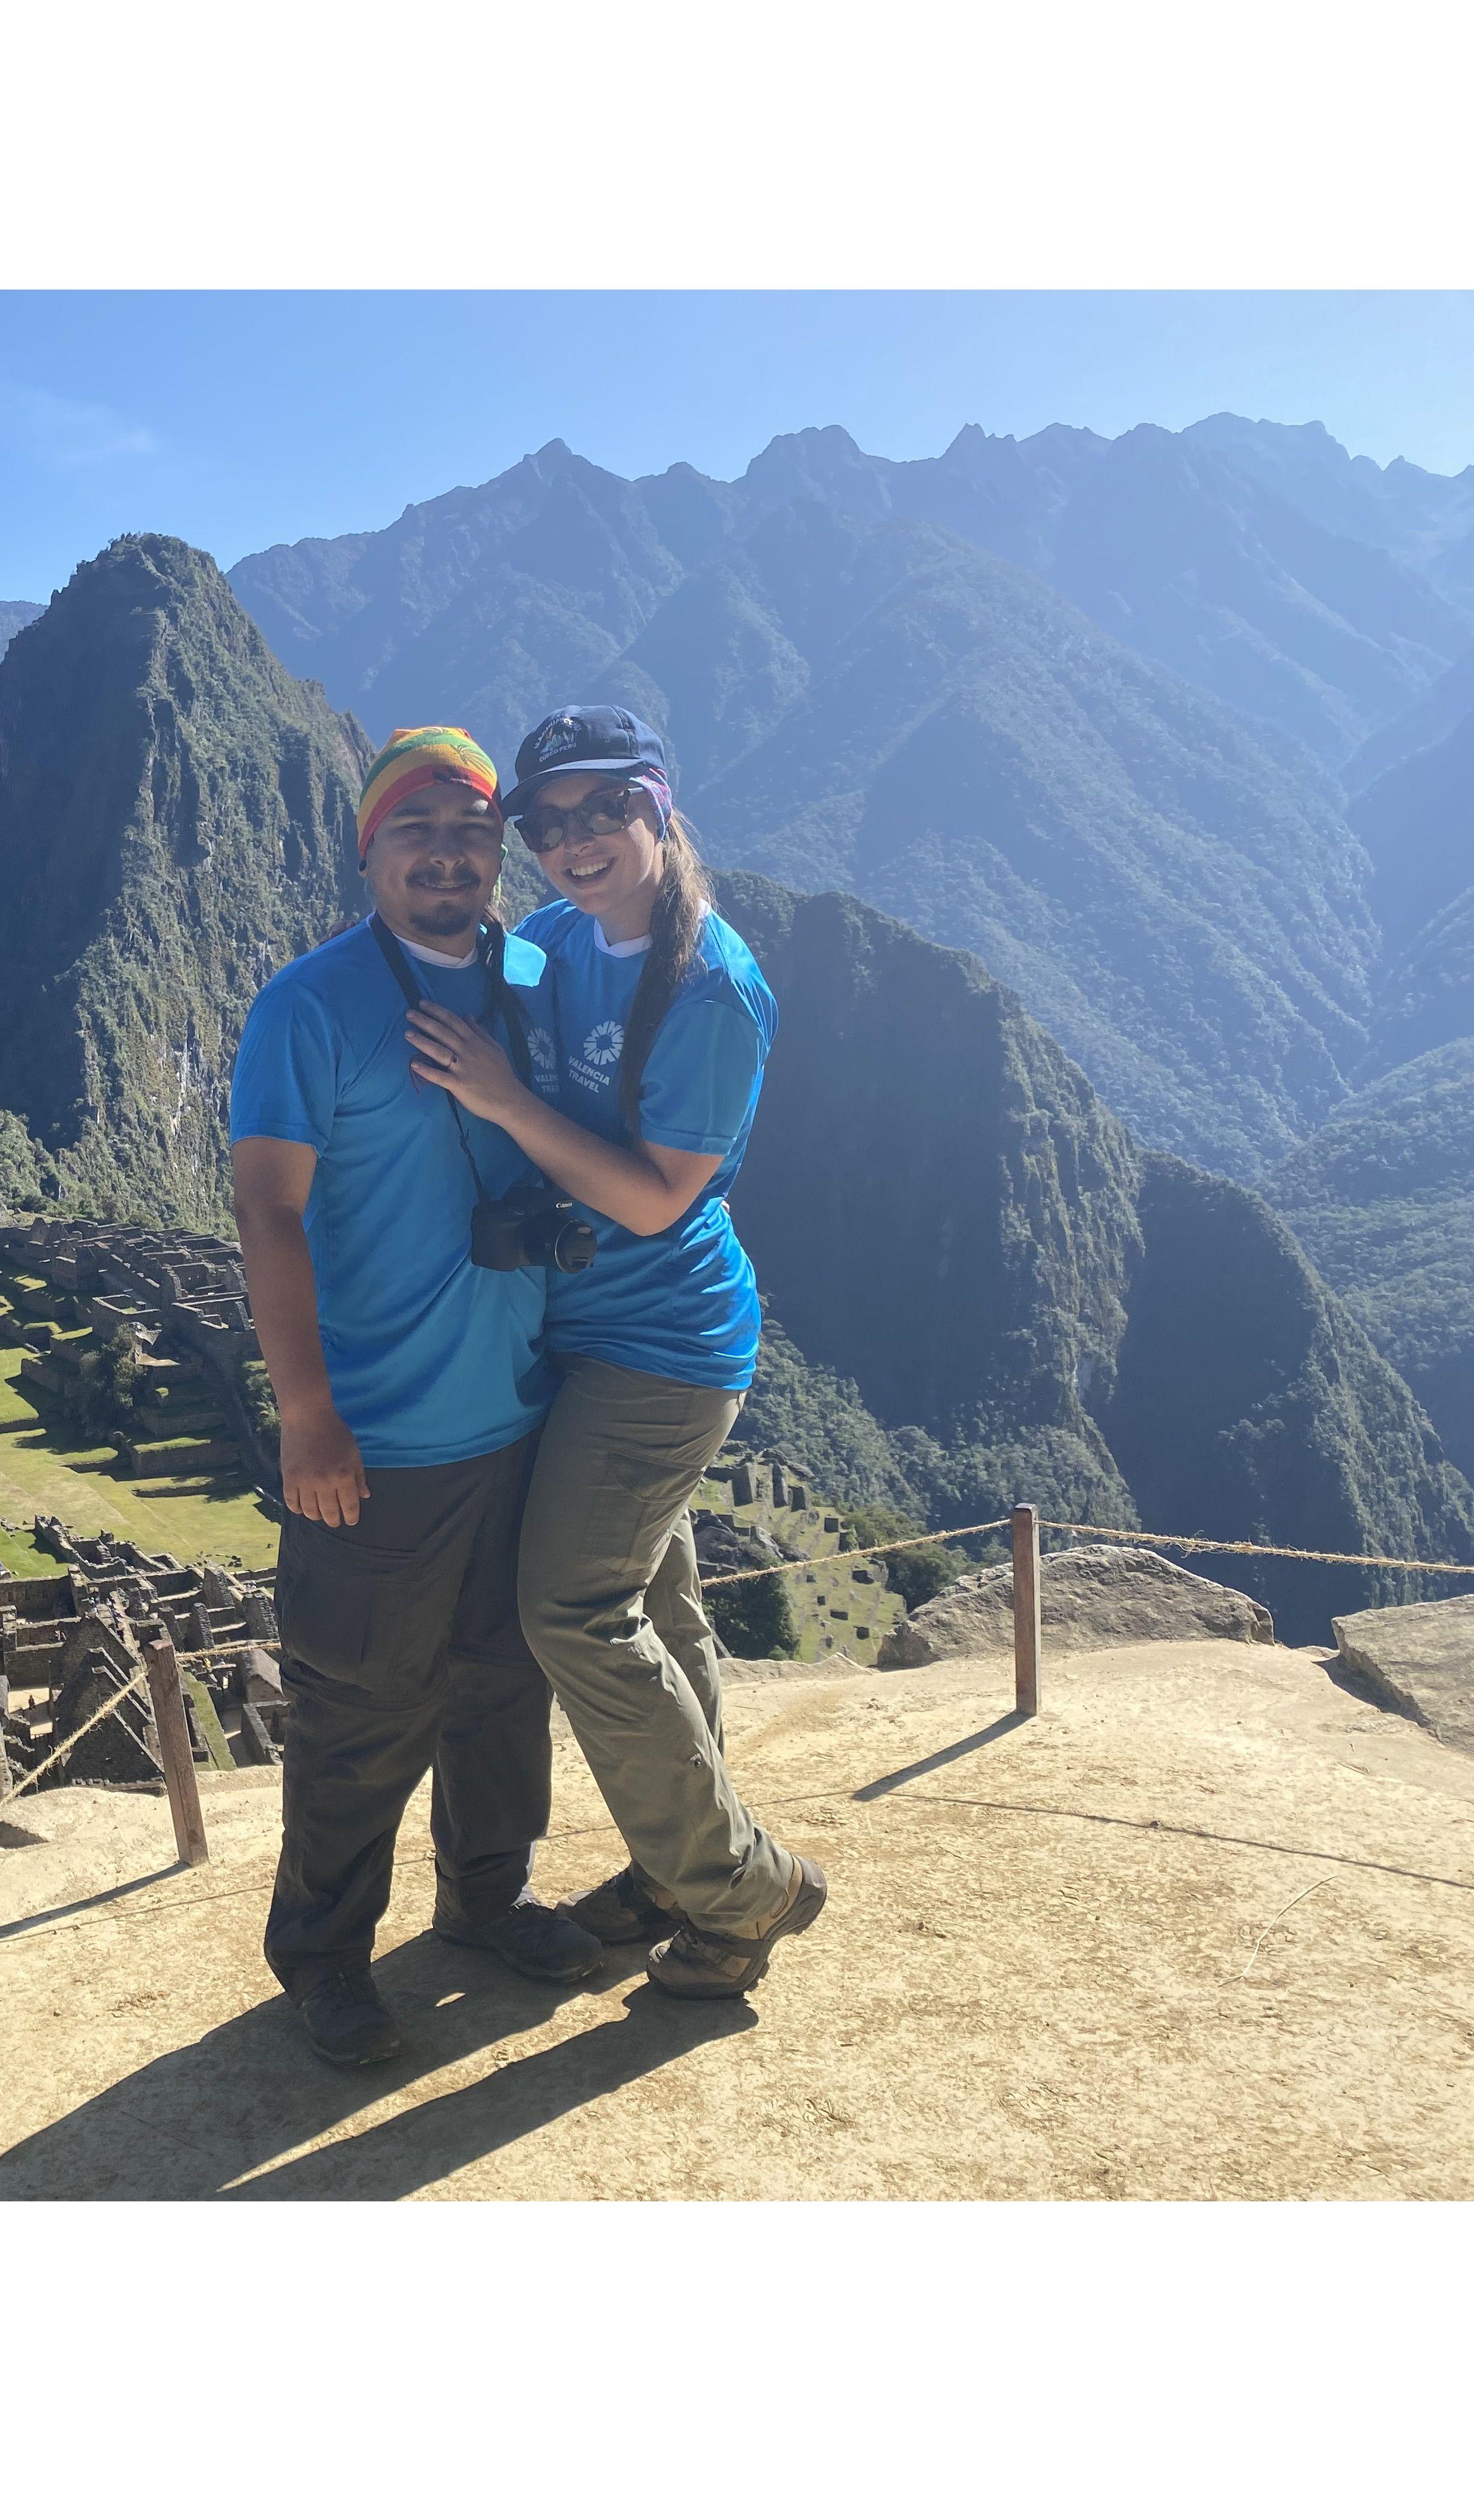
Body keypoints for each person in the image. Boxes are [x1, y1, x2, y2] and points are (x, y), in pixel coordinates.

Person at [403, 705, 825, 2000]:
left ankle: (739, 1888)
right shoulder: (548, 943)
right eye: (547, 821)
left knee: (574, 1612)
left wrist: (501, 1099)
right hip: (567, 1330)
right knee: (655, 1603)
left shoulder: (710, 987)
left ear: (658, 802)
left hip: (664, 1348)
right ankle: (678, 1865)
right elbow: (465, 985)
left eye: (603, 808)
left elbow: (654, 1200)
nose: (576, 840)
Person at [231, 725, 602, 2068]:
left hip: (522, 1411)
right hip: (378, 1441)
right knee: (359, 1707)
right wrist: (308, 1413)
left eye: (471, 831)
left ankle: (487, 1898)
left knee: (506, 1687)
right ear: (368, 847)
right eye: (417, 831)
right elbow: (269, 1216)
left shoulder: (531, 979)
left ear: (498, 848)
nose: (447, 855)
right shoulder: (310, 1005)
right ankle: (323, 1957)